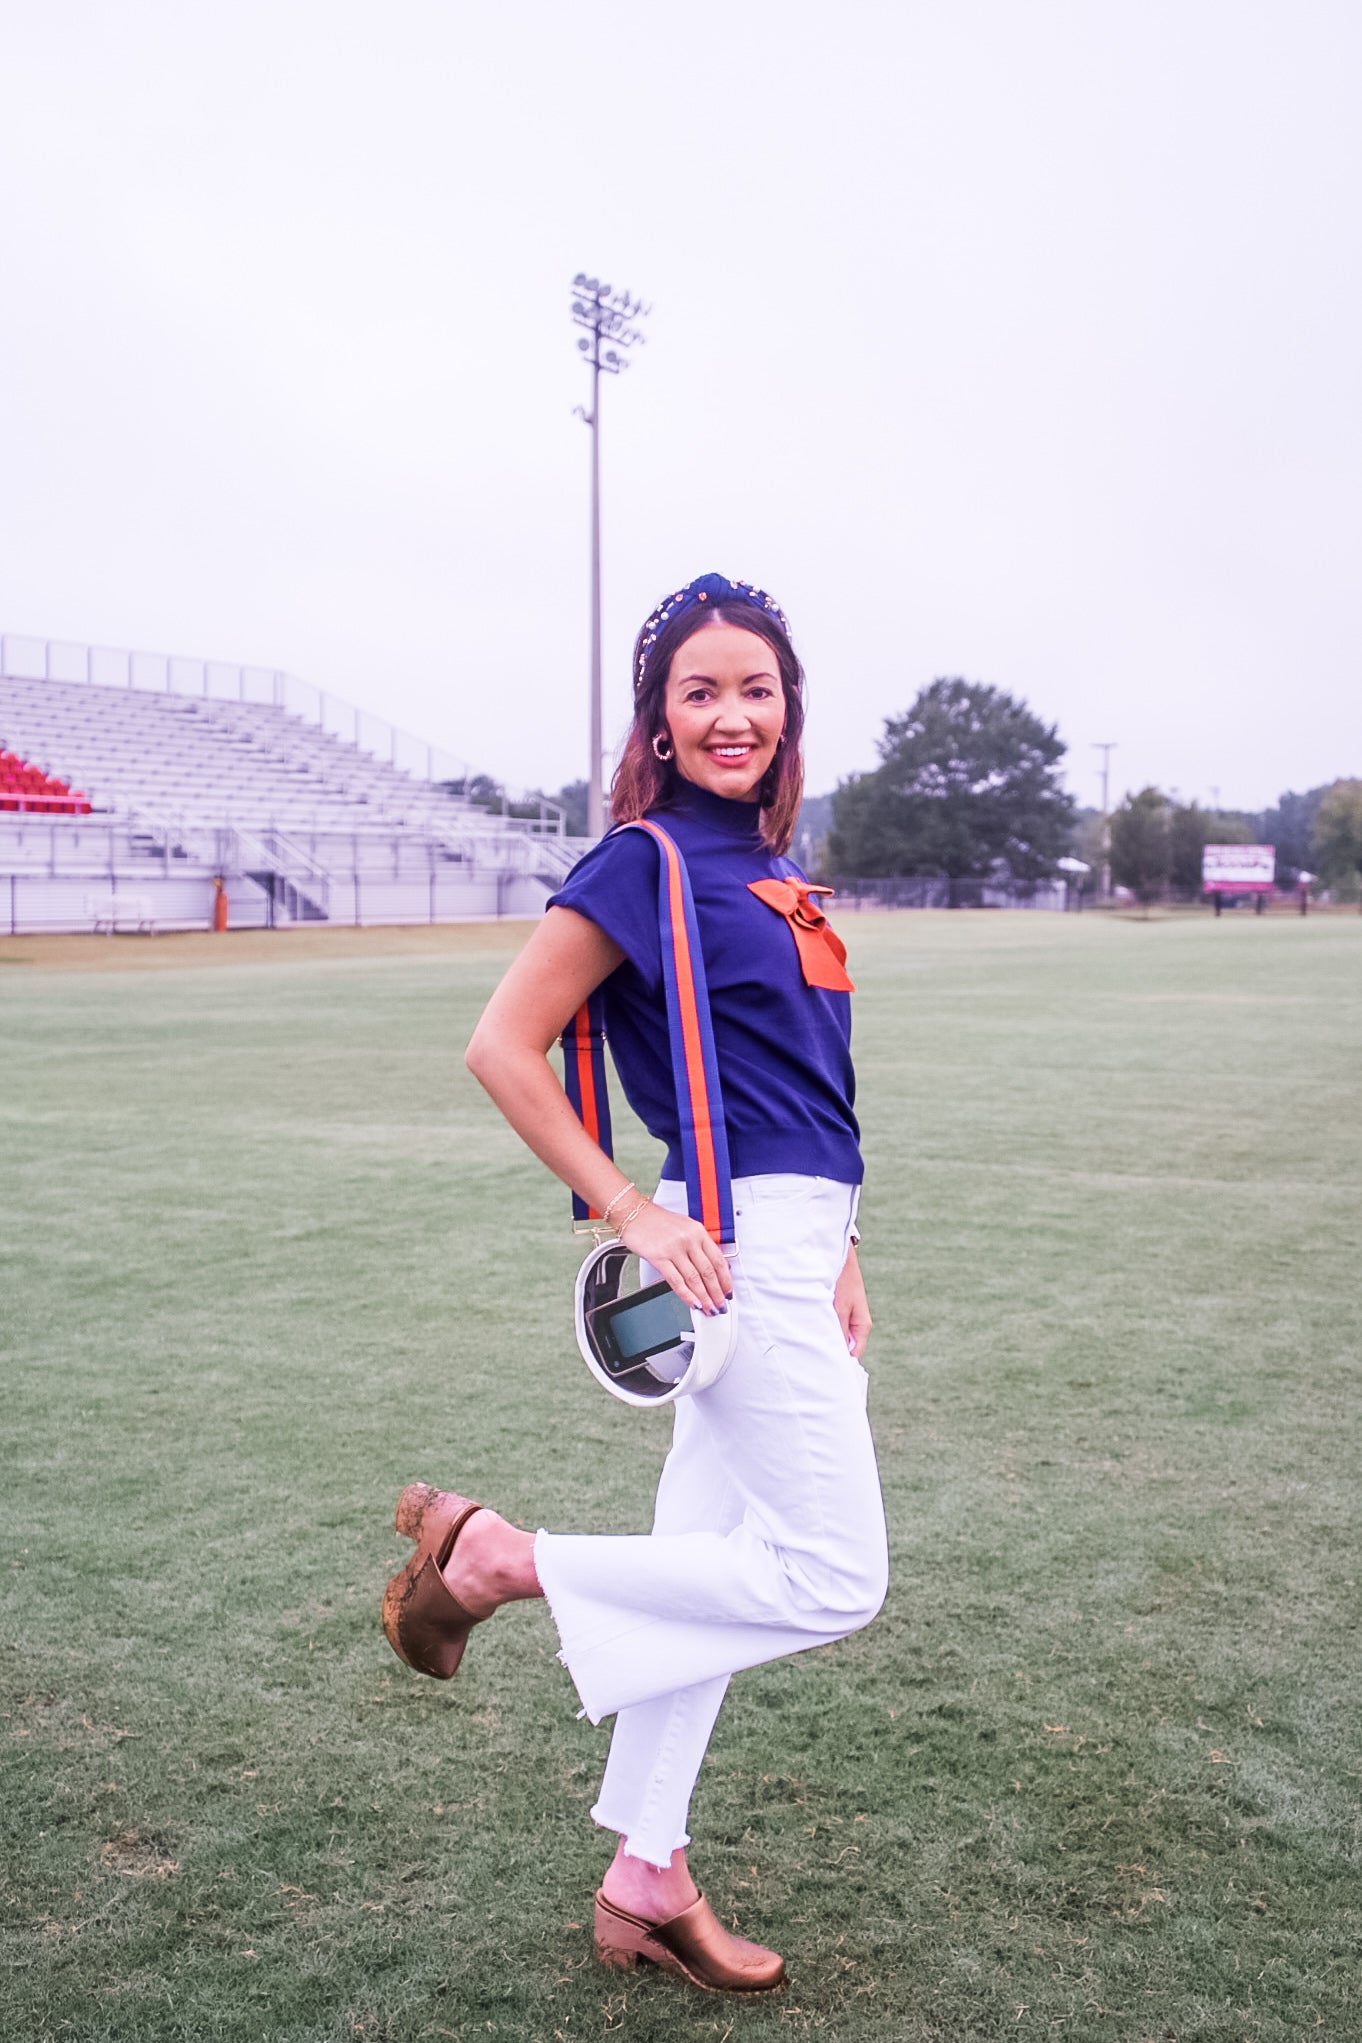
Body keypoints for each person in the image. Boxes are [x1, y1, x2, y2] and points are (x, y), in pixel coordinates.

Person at [381, 571, 888, 1996]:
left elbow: (806, 1087)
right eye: (700, 692)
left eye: (756, 689)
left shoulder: (772, 870)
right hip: (728, 1248)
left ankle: (645, 1872)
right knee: (832, 1576)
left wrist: (850, 1240)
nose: (733, 714)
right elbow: (501, 1043)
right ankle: (496, 1561)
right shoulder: (642, 858)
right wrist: (620, 1203)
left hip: (796, 1235)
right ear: (657, 726)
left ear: (789, 713)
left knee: (702, 1583)